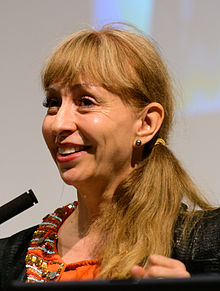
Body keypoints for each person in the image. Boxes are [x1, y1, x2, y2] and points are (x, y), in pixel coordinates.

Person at [0, 23, 219, 288]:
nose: (59, 124)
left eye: (85, 102)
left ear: (146, 123)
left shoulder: (207, 245)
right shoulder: (8, 259)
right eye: (53, 103)